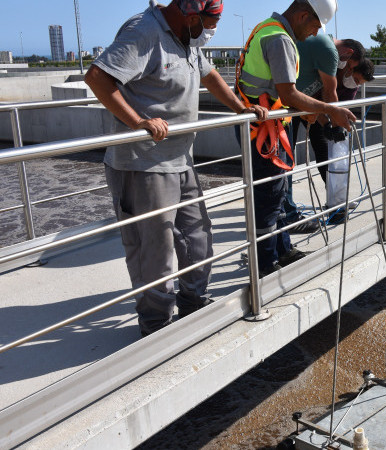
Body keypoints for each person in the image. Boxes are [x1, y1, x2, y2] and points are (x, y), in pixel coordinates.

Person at [85, 0, 269, 337]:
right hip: (143, 164)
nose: (212, 31)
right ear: (191, 15)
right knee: (154, 251)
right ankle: (156, 326)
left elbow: (210, 76)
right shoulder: (145, 31)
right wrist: (138, 121)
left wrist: (242, 108)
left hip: (180, 158)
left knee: (197, 238)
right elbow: (98, 77)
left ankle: (192, 302)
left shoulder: (187, 38)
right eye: (210, 23)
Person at [236, 0, 356, 277]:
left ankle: (282, 250)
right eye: (314, 25)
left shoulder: (268, 29)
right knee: (268, 197)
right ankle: (266, 266)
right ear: (303, 15)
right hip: (263, 133)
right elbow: (288, 93)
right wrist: (329, 109)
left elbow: (280, 94)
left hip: (270, 125)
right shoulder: (279, 39)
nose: (315, 33)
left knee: (277, 194)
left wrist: (305, 113)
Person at [284, 36, 366, 232]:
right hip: (289, 107)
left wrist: (326, 123)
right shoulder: (329, 53)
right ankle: (287, 214)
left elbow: (314, 94)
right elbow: (328, 94)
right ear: (349, 54)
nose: (347, 70)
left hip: (305, 105)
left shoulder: (334, 58)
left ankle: (335, 201)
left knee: (321, 151)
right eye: (350, 68)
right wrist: (335, 123)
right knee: (286, 160)